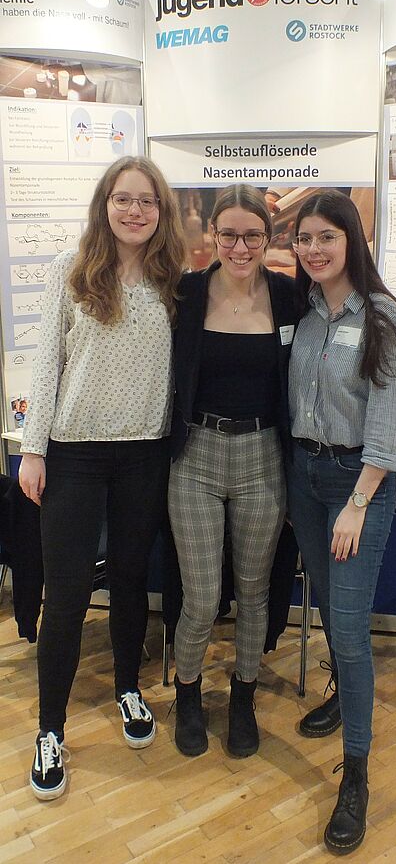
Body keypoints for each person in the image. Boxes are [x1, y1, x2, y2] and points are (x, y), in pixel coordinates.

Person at [19, 155, 187, 801]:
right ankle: (50, 727)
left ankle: (128, 688)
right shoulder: (71, 268)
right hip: (74, 453)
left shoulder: (174, 279)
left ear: (160, 210)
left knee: (127, 582)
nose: (135, 210)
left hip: (143, 453)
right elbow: (45, 362)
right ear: (105, 203)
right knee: (64, 595)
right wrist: (34, 449)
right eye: (124, 198)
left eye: (147, 200)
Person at [286, 190, 396, 855]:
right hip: (304, 478)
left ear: (351, 241)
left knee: (348, 624)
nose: (312, 249)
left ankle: (356, 772)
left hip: (355, 485)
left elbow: (387, 430)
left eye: (325, 238)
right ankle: (341, 693)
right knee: (325, 606)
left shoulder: (385, 317)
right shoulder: (307, 313)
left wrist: (357, 503)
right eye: (304, 237)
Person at [168, 184, 296, 759]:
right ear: (212, 237)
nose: (240, 247)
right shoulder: (186, 293)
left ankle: (242, 696)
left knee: (253, 593)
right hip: (195, 454)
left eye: (251, 235)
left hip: (262, 457)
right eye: (229, 235)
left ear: (268, 238)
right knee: (200, 596)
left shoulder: (291, 297)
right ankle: (189, 693)